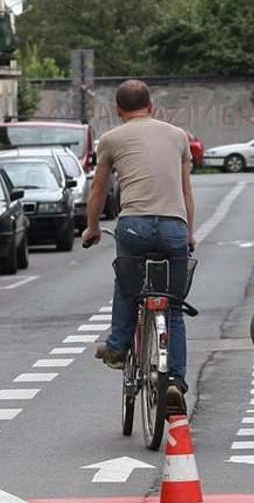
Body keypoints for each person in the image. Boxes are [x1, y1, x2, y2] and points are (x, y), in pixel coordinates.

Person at [82, 80, 195, 414]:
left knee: (128, 285)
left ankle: (117, 346)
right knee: (173, 307)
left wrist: (92, 229)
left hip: (134, 226)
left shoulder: (112, 139)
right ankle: (174, 380)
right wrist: (188, 233)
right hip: (175, 226)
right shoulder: (178, 136)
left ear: (118, 111)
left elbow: (98, 191)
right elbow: (187, 192)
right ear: (152, 106)